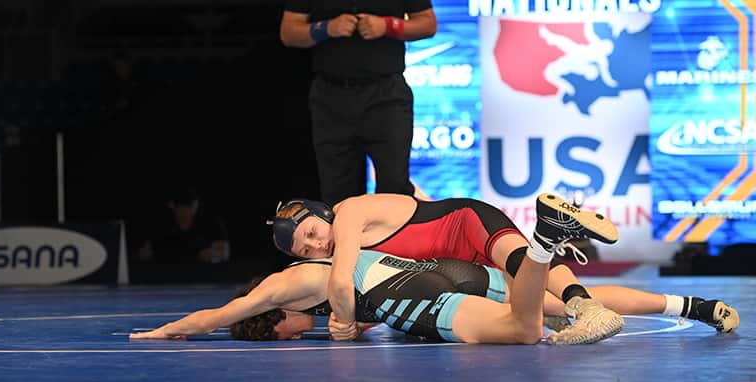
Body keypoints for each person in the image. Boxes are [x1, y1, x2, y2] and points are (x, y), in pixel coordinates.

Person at [131, 194, 740, 344]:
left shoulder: (331, 238)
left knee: (528, 324)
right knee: (553, 301)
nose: (316, 244)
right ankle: (695, 308)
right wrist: (353, 324)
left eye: (313, 232)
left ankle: (553, 245)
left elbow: (341, 287)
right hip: (442, 263)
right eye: (305, 245)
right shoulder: (342, 234)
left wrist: (162, 332)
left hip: (439, 262)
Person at [278, 1, 437, 206]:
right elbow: (288, 32)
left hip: (386, 95)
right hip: (330, 96)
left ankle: (394, 238)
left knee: (395, 189)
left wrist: (388, 26)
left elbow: (428, 24)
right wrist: (325, 29)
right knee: (338, 194)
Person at [137, 188, 230, 265]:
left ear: (195, 209)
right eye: (180, 211)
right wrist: (145, 255)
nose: (184, 215)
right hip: (166, 276)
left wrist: (215, 256)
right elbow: (144, 253)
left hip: (206, 276)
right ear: (173, 208)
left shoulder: (211, 223)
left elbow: (224, 254)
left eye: (188, 210)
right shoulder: (161, 225)